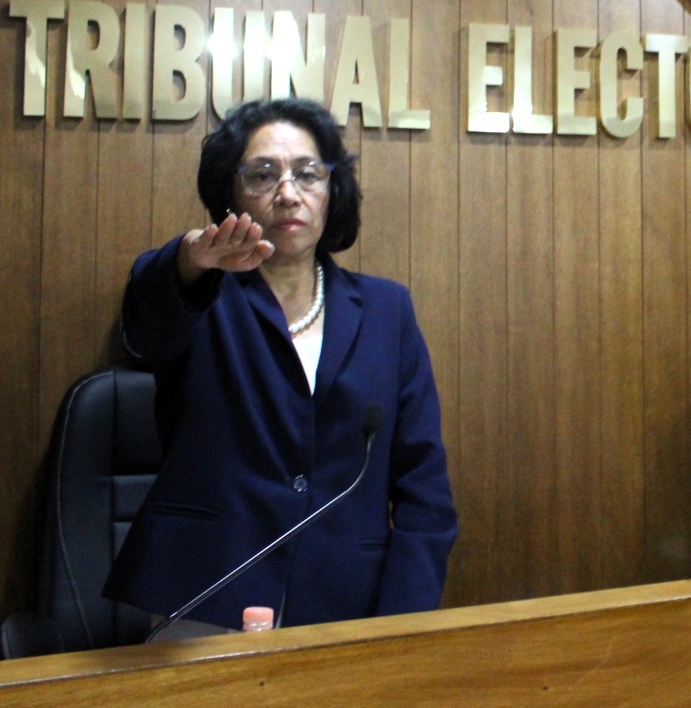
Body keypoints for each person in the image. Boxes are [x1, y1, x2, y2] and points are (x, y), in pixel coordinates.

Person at [104, 98, 457, 634]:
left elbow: (423, 488)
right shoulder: (198, 292)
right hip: (206, 596)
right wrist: (189, 260)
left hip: (348, 606)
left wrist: (398, 625)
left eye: (308, 174)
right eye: (263, 174)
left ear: (332, 189)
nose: (288, 193)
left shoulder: (388, 311)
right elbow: (145, 329)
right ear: (231, 193)